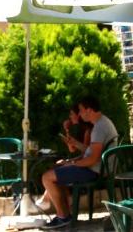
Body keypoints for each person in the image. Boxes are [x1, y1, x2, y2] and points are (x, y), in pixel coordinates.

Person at [39, 95, 117, 229]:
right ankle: (65, 215)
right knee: (57, 173)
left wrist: (73, 164)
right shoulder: (101, 123)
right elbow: (91, 151)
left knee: (47, 177)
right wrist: (71, 159)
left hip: (95, 171)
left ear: (89, 110)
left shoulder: (99, 127)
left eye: (81, 110)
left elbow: (93, 159)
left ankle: (63, 217)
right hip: (98, 169)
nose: (79, 114)